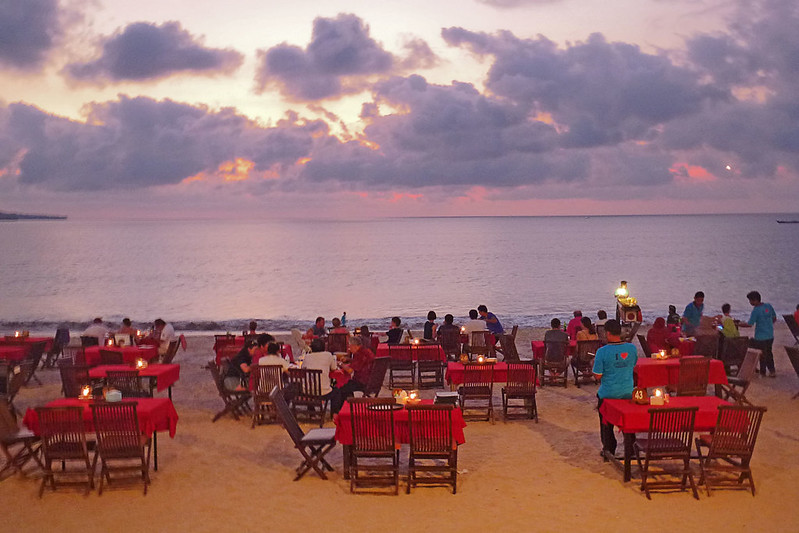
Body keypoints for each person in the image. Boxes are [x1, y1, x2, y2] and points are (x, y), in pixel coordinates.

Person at [592, 319, 638, 456]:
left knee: (606, 425)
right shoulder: (631, 348)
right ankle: (630, 447)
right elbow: (633, 365)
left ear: (607, 333)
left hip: (608, 393)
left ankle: (609, 448)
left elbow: (598, 376)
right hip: (627, 392)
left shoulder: (602, 352)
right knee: (628, 423)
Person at [330, 335, 375, 413]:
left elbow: (350, 370)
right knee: (345, 386)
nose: (349, 349)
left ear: (354, 346)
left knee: (339, 388)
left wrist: (340, 364)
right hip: (371, 381)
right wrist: (349, 359)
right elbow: (361, 363)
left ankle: (337, 411)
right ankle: (345, 408)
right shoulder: (366, 351)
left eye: (349, 346)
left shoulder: (359, 354)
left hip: (361, 382)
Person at [740, 291, 777, 376]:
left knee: (762, 354)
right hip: (770, 335)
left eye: (750, 301)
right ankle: (772, 370)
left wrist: (739, 324)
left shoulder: (756, 310)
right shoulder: (768, 306)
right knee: (769, 352)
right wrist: (768, 324)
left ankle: (763, 371)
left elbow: (749, 324)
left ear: (755, 300)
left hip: (760, 337)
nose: (750, 303)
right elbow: (774, 318)